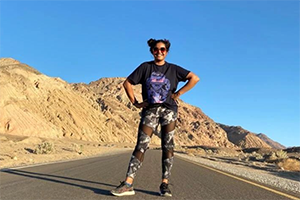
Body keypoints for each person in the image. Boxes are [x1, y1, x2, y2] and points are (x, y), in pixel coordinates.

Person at [111, 38, 199, 197]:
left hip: (169, 111)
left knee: (168, 146)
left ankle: (164, 184)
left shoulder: (173, 69)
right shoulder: (145, 67)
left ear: (167, 51)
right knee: (141, 145)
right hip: (150, 110)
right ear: (152, 51)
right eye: (155, 49)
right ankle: (128, 183)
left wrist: (178, 94)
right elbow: (127, 83)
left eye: (162, 49)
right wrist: (135, 103)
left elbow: (194, 78)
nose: (159, 52)